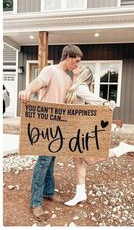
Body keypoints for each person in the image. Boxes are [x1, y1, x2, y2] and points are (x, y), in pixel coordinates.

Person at [19, 44, 83, 221]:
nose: (76, 65)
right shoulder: (50, 70)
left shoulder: (69, 79)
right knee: (44, 161)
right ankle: (35, 203)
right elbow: (38, 82)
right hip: (45, 125)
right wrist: (27, 91)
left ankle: (48, 192)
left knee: (52, 158)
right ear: (68, 57)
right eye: (75, 61)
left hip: (58, 126)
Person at [64, 66, 134, 206]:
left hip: (82, 131)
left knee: (89, 160)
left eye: (80, 67)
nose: (76, 67)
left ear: (83, 73)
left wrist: (106, 103)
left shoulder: (80, 88)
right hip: (75, 129)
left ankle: (122, 148)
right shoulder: (75, 86)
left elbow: (94, 99)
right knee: (78, 161)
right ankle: (80, 194)